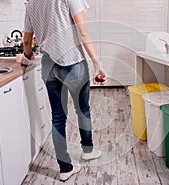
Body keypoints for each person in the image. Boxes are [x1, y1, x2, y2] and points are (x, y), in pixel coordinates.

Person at [21, 0, 107, 181]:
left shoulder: (31, 4)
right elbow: (82, 32)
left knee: (58, 116)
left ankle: (65, 168)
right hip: (72, 61)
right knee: (82, 109)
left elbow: (27, 40)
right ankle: (87, 150)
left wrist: (26, 59)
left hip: (48, 64)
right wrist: (97, 63)